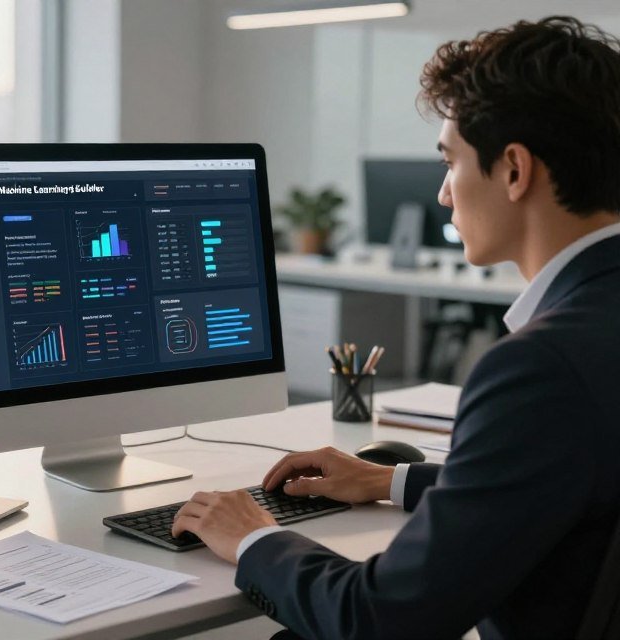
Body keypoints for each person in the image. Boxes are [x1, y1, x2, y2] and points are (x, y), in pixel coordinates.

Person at [172, 16, 620, 640]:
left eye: (450, 161)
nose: (443, 194)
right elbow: (574, 475)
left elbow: (382, 619)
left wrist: (254, 539)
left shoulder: (541, 368)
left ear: (515, 170)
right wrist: (390, 479)